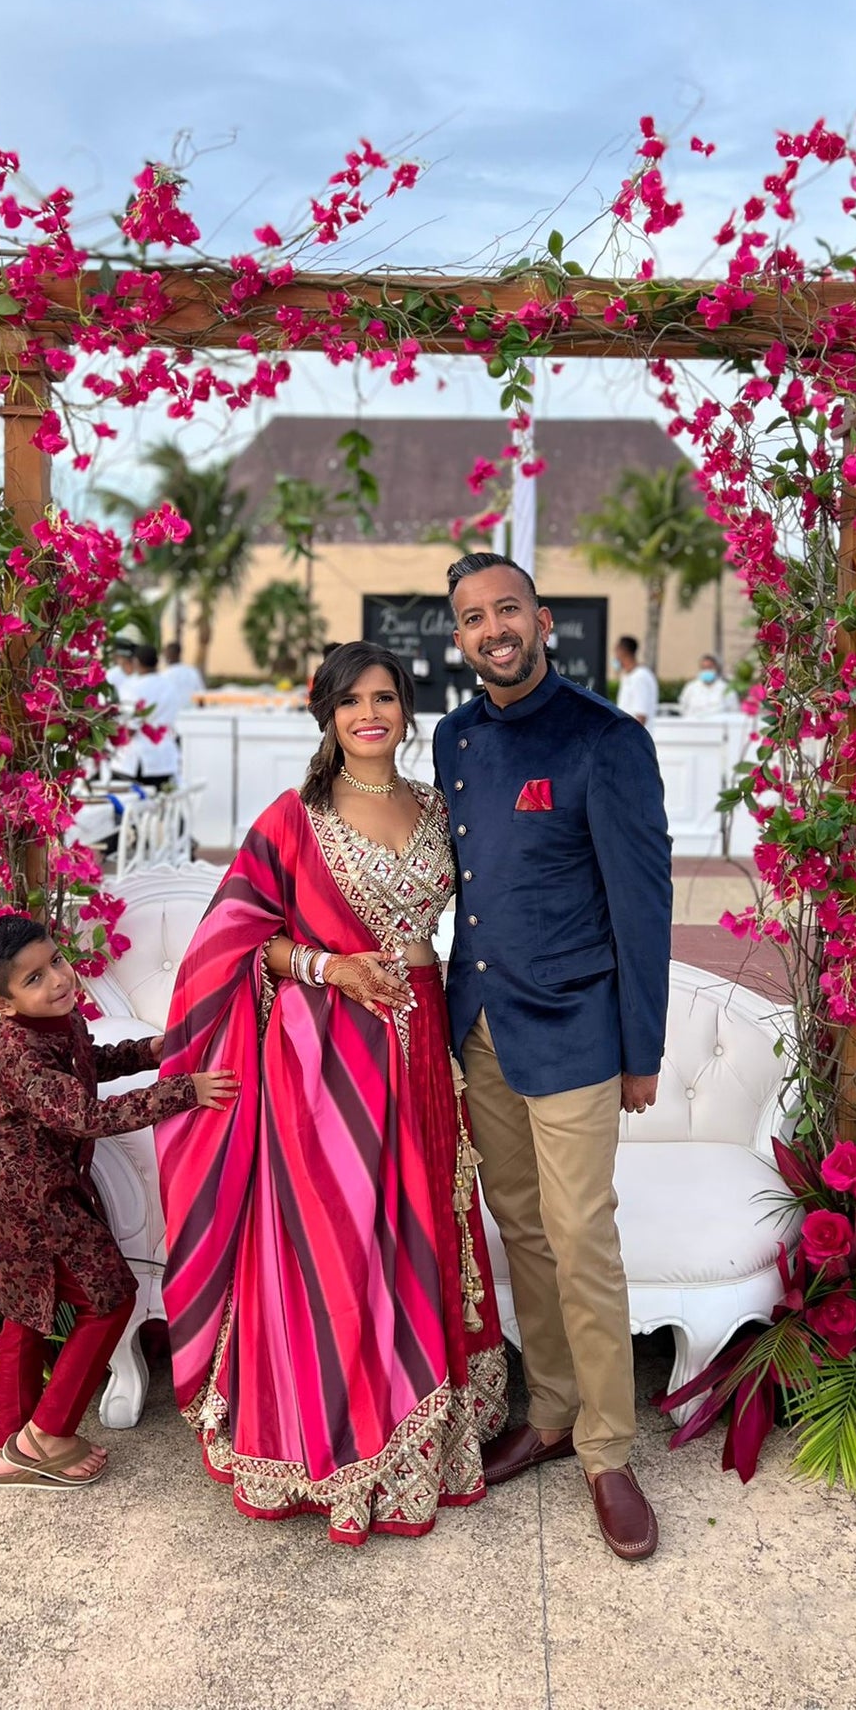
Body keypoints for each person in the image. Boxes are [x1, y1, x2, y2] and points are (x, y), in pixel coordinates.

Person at [157, 640, 507, 1546]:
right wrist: (327, 965)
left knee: (419, 1227)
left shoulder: (440, 807)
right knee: (337, 1237)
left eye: (385, 696)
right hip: (324, 1058)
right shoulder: (292, 817)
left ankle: (417, 1432)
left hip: (423, 1044)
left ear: (406, 707)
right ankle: (327, 1434)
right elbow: (231, 941)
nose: (369, 713)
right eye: (350, 699)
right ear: (326, 712)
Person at [435, 554, 673, 1562]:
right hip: (479, 1020)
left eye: (506, 609)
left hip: (576, 1024)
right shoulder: (451, 738)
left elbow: (642, 902)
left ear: (539, 617)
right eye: (471, 617)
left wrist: (640, 1047)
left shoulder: (605, 739)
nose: (492, 628)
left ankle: (609, 1450)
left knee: (580, 1235)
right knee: (519, 1225)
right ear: (459, 637)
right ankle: (552, 1409)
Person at [0, 914, 233, 1489]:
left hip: (33, 1190)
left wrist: (153, 1050)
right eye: (33, 979)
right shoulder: (22, 1055)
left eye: (55, 962)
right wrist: (184, 1091)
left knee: (22, 1311)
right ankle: (49, 1434)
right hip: (42, 1202)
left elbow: (91, 1065)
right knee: (109, 1298)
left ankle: (11, 1448)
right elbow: (87, 1116)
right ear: (1, 1007)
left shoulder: (59, 1023)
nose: (57, 980)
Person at [111, 644, 183, 786]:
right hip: (165, 759)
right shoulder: (170, 686)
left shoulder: (131, 687)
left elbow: (130, 726)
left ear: (136, 662)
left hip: (135, 762)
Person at [613, 634, 659, 726]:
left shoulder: (640, 677)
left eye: (616, 652)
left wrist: (629, 738)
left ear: (622, 652)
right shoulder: (628, 676)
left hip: (635, 738)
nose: (615, 657)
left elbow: (641, 716)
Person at [677, 652, 740, 717]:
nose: (707, 670)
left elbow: (734, 710)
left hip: (718, 725)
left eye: (709, 668)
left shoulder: (725, 688)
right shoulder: (691, 687)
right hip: (695, 724)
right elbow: (683, 707)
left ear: (716, 669)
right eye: (704, 668)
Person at [161, 640, 206, 705]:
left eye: (166, 654)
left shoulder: (164, 675)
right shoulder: (192, 671)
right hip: (193, 712)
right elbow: (201, 694)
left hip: (174, 712)